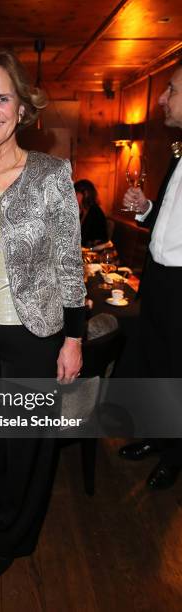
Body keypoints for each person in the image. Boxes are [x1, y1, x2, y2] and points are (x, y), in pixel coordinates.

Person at [0, 50, 86, 577]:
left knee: (26, 447)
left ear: (22, 106)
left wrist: (73, 340)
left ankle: (17, 533)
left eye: (1, 97)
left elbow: (69, 262)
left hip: (34, 334)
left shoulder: (51, 173)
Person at [119, 60, 182, 489]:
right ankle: (159, 439)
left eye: (172, 90)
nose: (161, 98)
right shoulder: (178, 154)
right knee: (159, 365)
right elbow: (172, 223)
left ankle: (176, 456)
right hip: (159, 280)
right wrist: (145, 209)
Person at [74, 179, 108, 247]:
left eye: (76, 194)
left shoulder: (95, 212)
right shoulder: (82, 211)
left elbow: (97, 242)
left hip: (92, 254)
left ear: (86, 194)